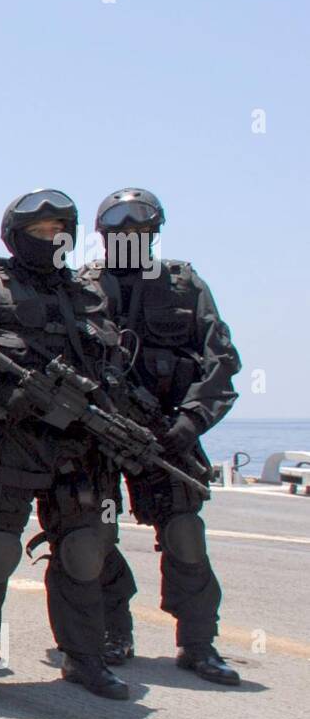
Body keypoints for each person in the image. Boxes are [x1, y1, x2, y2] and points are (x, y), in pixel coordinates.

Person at [0, 189, 131, 700]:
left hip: (78, 447)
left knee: (84, 552)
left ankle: (84, 659)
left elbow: (113, 368)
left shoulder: (90, 296)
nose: (50, 238)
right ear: (15, 236)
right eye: (38, 231)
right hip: (10, 442)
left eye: (59, 230)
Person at [82, 189, 242, 685]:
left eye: (139, 230)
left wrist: (190, 422)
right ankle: (113, 627)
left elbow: (221, 361)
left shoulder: (184, 286)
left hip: (168, 431)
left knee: (184, 533)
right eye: (119, 230)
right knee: (92, 533)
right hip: (98, 435)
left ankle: (198, 644)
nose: (128, 238)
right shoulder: (81, 288)